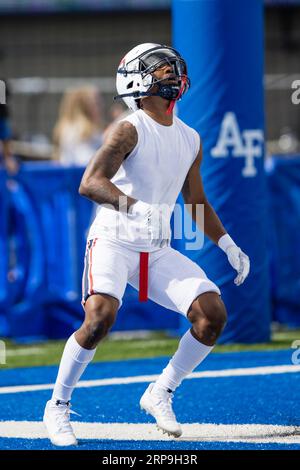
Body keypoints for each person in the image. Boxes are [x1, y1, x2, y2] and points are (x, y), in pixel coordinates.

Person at [43, 43, 250, 446]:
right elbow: (89, 183)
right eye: (160, 69)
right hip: (114, 239)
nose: (171, 73)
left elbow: (196, 201)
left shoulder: (190, 137)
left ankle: (161, 391)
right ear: (136, 79)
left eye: (171, 68)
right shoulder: (128, 127)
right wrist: (135, 207)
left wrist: (227, 244)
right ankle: (57, 406)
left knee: (212, 315)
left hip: (155, 249)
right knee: (100, 317)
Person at [53, 86, 104, 166]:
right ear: (84, 107)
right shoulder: (77, 131)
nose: (101, 107)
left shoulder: (93, 130)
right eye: (96, 103)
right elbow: (87, 161)